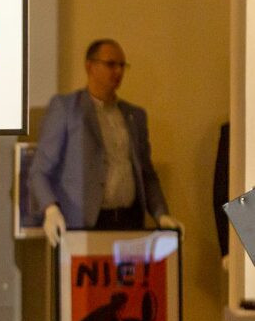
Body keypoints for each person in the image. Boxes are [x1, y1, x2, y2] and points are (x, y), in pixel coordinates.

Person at [30, 38, 181, 245]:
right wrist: (50, 208)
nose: (118, 72)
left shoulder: (134, 115)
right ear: (89, 66)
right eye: (111, 64)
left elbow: (146, 174)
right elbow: (40, 171)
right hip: (84, 224)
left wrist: (161, 214)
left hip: (129, 222)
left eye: (122, 66)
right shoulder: (67, 109)